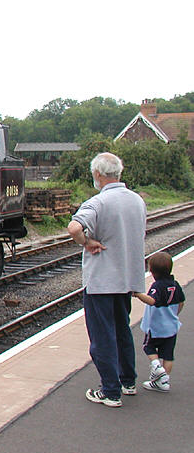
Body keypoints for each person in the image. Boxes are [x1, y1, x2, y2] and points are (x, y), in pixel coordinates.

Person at [67, 152, 146, 407]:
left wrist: (87, 242)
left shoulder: (97, 203)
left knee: (102, 337)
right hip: (126, 278)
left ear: (98, 175)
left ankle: (110, 391)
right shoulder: (137, 201)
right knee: (123, 330)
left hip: (101, 281)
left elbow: (74, 228)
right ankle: (128, 381)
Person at [132, 251, 184, 392]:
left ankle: (156, 367)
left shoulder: (157, 286)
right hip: (171, 327)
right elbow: (181, 302)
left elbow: (152, 301)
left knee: (148, 347)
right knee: (168, 355)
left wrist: (138, 294)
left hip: (155, 327)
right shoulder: (175, 285)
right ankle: (163, 381)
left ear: (152, 272)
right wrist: (175, 314)